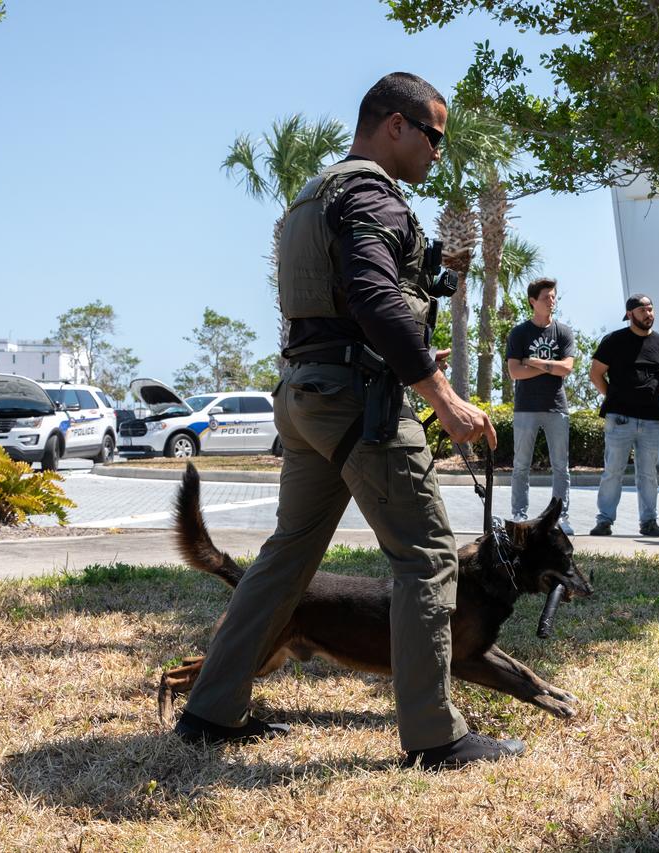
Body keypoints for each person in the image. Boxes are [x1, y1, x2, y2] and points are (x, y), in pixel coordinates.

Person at [174, 72, 523, 771]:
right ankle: (436, 736)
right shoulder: (372, 194)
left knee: (285, 560)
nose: (437, 152)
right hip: (357, 405)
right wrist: (444, 395)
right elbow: (372, 294)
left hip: (305, 396)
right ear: (394, 125)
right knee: (427, 556)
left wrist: (410, 340)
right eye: (434, 136)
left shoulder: (317, 192)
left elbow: (347, 302)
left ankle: (209, 712)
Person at [588, 293, 659, 537]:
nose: (648, 314)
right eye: (642, 310)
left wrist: (647, 394)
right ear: (630, 315)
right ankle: (604, 521)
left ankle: (649, 522)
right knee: (613, 471)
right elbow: (596, 373)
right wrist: (613, 397)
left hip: (650, 420)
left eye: (650, 309)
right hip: (619, 418)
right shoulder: (614, 341)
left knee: (648, 474)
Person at [506, 277, 576, 535]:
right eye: (546, 297)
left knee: (561, 467)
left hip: (556, 408)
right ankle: (520, 516)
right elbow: (515, 372)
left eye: (554, 296)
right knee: (521, 465)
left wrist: (532, 362)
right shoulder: (519, 332)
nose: (551, 301)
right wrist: (549, 367)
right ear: (532, 301)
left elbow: (566, 368)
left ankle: (560, 518)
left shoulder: (563, 332)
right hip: (526, 408)